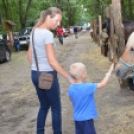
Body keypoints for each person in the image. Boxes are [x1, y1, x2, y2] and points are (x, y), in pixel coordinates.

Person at [27, 7, 74, 134]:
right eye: (57, 20)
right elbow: (52, 62)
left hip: (35, 74)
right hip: (48, 76)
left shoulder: (34, 32)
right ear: (49, 17)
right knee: (56, 108)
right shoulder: (47, 34)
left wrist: (39, 70)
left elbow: (29, 56)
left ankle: (39, 132)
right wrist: (69, 77)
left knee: (43, 106)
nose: (58, 24)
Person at [68, 62, 114, 134]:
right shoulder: (87, 87)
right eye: (85, 70)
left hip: (77, 119)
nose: (86, 71)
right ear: (82, 74)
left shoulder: (71, 87)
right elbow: (102, 84)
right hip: (86, 119)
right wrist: (109, 71)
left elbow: (70, 99)